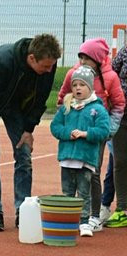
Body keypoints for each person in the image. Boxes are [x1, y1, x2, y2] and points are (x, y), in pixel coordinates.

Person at [0, 34, 62, 231]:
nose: (49, 70)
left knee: (24, 152)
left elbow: (40, 100)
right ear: (31, 58)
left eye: (51, 66)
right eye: (45, 66)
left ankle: (23, 210)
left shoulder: (49, 66)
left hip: (16, 108)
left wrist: (29, 129)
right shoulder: (3, 59)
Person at [56, 38, 125, 232]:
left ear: (97, 59)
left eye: (87, 58)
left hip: (96, 135)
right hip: (73, 134)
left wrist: (108, 131)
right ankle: (71, 214)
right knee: (70, 172)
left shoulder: (110, 77)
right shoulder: (73, 74)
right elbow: (62, 99)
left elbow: (119, 104)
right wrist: (66, 122)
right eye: (81, 57)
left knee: (92, 173)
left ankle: (94, 215)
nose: (83, 61)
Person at [49, 66, 111, 237]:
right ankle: (68, 221)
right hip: (67, 158)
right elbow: (55, 127)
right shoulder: (66, 107)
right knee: (67, 192)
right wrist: (67, 134)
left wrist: (86, 134)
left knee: (83, 192)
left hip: (85, 160)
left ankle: (84, 222)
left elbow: (104, 131)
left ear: (90, 87)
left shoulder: (97, 109)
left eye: (82, 85)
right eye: (75, 85)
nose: (77, 88)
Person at [105, 43, 127, 228]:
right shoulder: (124, 52)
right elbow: (110, 74)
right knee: (119, 161)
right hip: (122, 116)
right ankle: (122, 209)